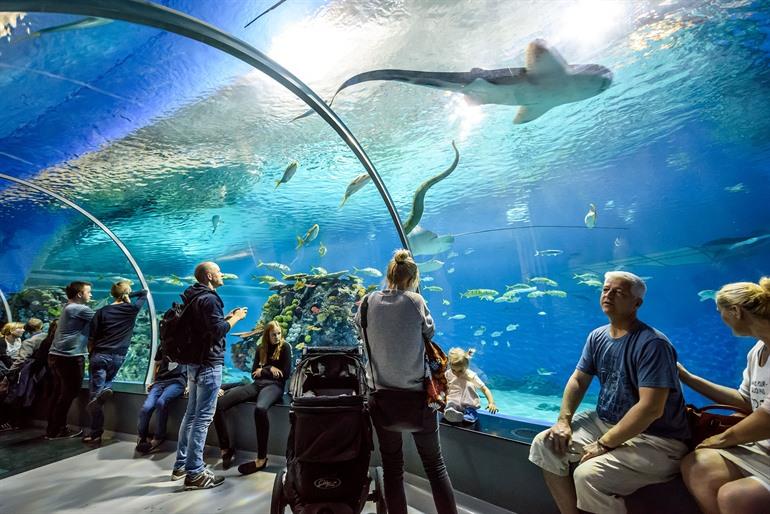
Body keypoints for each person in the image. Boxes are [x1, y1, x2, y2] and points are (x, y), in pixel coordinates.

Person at [528, 271, 690, 514]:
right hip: (606, 421)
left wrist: (603, 445)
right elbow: (579, 380)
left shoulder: (653, 344)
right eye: (606, 289)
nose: (608, 295)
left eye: (619, 292)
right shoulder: (597, 336)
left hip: (658, 439)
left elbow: (651, 408)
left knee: (588, 475)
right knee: (546, 444)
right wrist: (564, 420)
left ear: (637, 303)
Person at [354, 248, 458, 514]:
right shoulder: (415, 301)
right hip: (418, 399)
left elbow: (359, 326)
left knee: (392, 467)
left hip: (382, 398)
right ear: (413, 279)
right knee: (435, 466)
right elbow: (430, 330)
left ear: (389, 274)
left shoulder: (367, 301)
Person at [678, 277, 770, 514]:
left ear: (736, 311)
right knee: (696, 466)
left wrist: (721, 439)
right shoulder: (757, 351)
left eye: (721, 312)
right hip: (764, 450)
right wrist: (689, 378)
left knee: (733, 496)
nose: (721, 318)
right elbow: (747, 401)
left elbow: (767, 419)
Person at [172, 261, 247, 490]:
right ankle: (195, 473)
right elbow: (217, 331)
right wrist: (235, 318)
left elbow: (207, 328)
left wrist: (225, 318)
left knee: (192, 414)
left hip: (194, 364)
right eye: (218, 271)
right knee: (203, 418)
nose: (222, 274)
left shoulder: (192, 297)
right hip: (208, 364)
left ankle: (182, 464)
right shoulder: (210, 299)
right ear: (209, 275)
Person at [213, 319, 291, 474]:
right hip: (258, 384)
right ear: (266, 335)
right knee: (219, 404)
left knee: (260, 409)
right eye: (273, 334)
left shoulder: (286, 347)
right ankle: (225, 449)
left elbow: (285, 374)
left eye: (279, 333)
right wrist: (270, 368)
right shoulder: (261, 348)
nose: (277, 336)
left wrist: (264, 370)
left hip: (274, 386)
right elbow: (254, 373)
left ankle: (261, 459)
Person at [83, 280, 148, 444]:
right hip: (118, 356)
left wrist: (91, 354)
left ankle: (95, 433)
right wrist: (129, 296)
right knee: (106, 384)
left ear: (112, 294)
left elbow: (92, 337)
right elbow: (144, 293)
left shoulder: (102, 311)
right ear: (126, 292)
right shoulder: (132, 309)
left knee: (94, 395)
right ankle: (107, 389)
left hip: (100, 354)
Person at [46, 281, 95, 440]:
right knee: (68, 393)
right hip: (69, 358)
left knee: (59, 393)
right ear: (80, 294)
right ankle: (57, 430)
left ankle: (52, 429)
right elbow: (102, 317)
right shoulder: (78, 308)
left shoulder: (69, 307)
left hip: (56, 356)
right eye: (89, 292)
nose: (91, 294)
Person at [136, 345, 187, 454]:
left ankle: (159, 437)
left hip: (177, 382)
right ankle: (142, 436)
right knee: (146, 408)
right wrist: (154, 381)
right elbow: (157, 363)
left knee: (161, 402)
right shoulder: (163, 345)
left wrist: (189, 385)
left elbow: (193, 366)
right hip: (160, 382)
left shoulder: (187, 343)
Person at [443, 347, 498, 425]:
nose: (456, 373)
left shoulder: (471, 375)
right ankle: (452, 413)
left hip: (468, 404)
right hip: (454, 401)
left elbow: (484, 388)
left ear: (467, 366)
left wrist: (491, 402)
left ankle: (469, 414)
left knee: (469, 385)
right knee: (450, 404)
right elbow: (443, 385)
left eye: (460, 371)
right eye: (453, 370)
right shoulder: (448, 373)